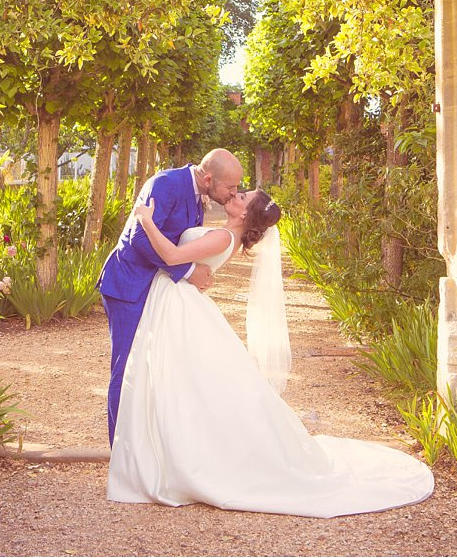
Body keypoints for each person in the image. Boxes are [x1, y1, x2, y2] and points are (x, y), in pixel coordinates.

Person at [107, 189, 434, 518]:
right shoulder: (226, 234)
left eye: (243, 196)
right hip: (178, 301)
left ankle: (180, 457)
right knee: (182, 380)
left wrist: (146, 221)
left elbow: (173, 256)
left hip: (178, 304)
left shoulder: (223, 237)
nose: (237, 194)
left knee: (179, 379)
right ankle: (167, 449)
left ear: (246, 215)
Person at [97, 148, 243, 446]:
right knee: (126, 368)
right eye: (231, 187)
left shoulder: (198, 194)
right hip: (127, 286)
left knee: (153, 371)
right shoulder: (164, 183)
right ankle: (121, 453)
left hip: (155, 290)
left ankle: (147, 448)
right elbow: (137, 238)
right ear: (208, 178)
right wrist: (188, 271)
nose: (234, 193)